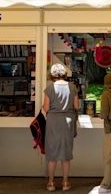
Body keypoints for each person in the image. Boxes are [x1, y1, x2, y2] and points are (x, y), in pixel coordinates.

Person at [43, 63, 79, 192]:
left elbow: (46, 108)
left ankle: (51, 183)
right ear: (64, 73)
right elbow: (76, 106)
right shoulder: (73, 87)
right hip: (68, 121)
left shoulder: (49, 88)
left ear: (52, 75)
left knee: (52, 154)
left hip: (53, 121)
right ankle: (65, 182)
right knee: (66, 154)